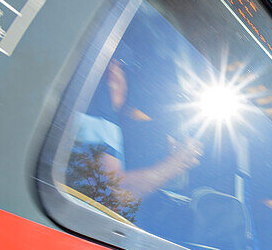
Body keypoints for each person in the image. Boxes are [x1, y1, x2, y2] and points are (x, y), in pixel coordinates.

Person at [68, 54, 203, 218]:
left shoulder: (92, 113)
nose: (117, 71)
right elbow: (109, 195)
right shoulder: (98, 115)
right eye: (119, 65)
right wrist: (178, 162)